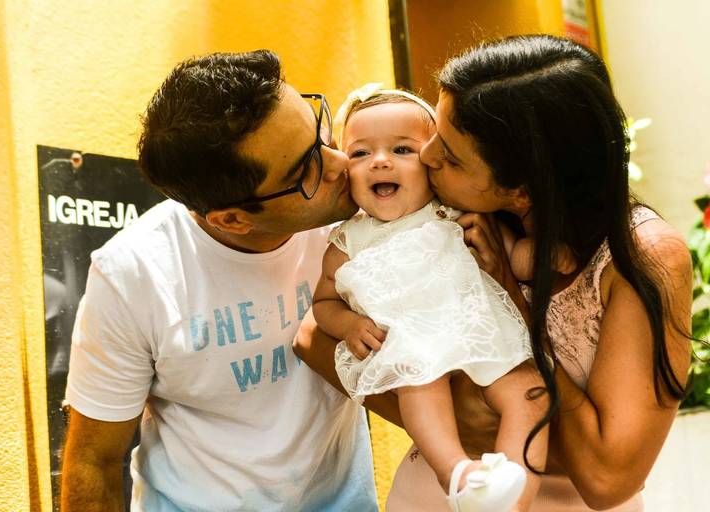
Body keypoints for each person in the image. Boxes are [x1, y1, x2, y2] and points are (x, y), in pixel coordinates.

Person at [294, 35, 692, 512]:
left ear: (520, 190)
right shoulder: (441, 209)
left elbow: (608, 480)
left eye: (452, 155)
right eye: (437, 132)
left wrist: (511, 305)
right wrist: (437, 410)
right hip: (440, 490)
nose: (426, 156)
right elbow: (313, 337)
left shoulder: (638, 257)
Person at [60, 50, 396, 511]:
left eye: (320, 132)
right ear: (233, 220)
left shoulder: (361, 216)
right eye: (306, 170)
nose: (340, 163)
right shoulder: (133, 275)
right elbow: (94, 461)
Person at [312, 85, 546, 512]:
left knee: (530, 393)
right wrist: (348, 325)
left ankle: (512, 495)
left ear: (432, 164)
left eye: (402, 149)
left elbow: (513, 255)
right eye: (361, 154)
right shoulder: (348, 241)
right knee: (419, 387)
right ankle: (457, 475)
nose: (380, 161)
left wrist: (555, 254)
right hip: (414, 344)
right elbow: (323, 303)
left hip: (482, 331)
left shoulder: (454, 210)